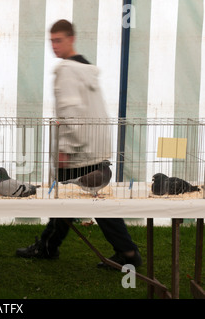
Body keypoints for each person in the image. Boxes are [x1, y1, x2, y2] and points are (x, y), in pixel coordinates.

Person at [16, 20, 142, 269]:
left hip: (79, 153)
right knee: (78, 202)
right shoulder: (85, 68)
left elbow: (70, 112)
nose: (54, 45)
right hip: (94, 150)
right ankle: (50, 246)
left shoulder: (66, 69)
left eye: (58, 40)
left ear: (71, 39)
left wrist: (65, 148)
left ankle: (127, 253)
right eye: (51, 40)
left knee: (76, 202)